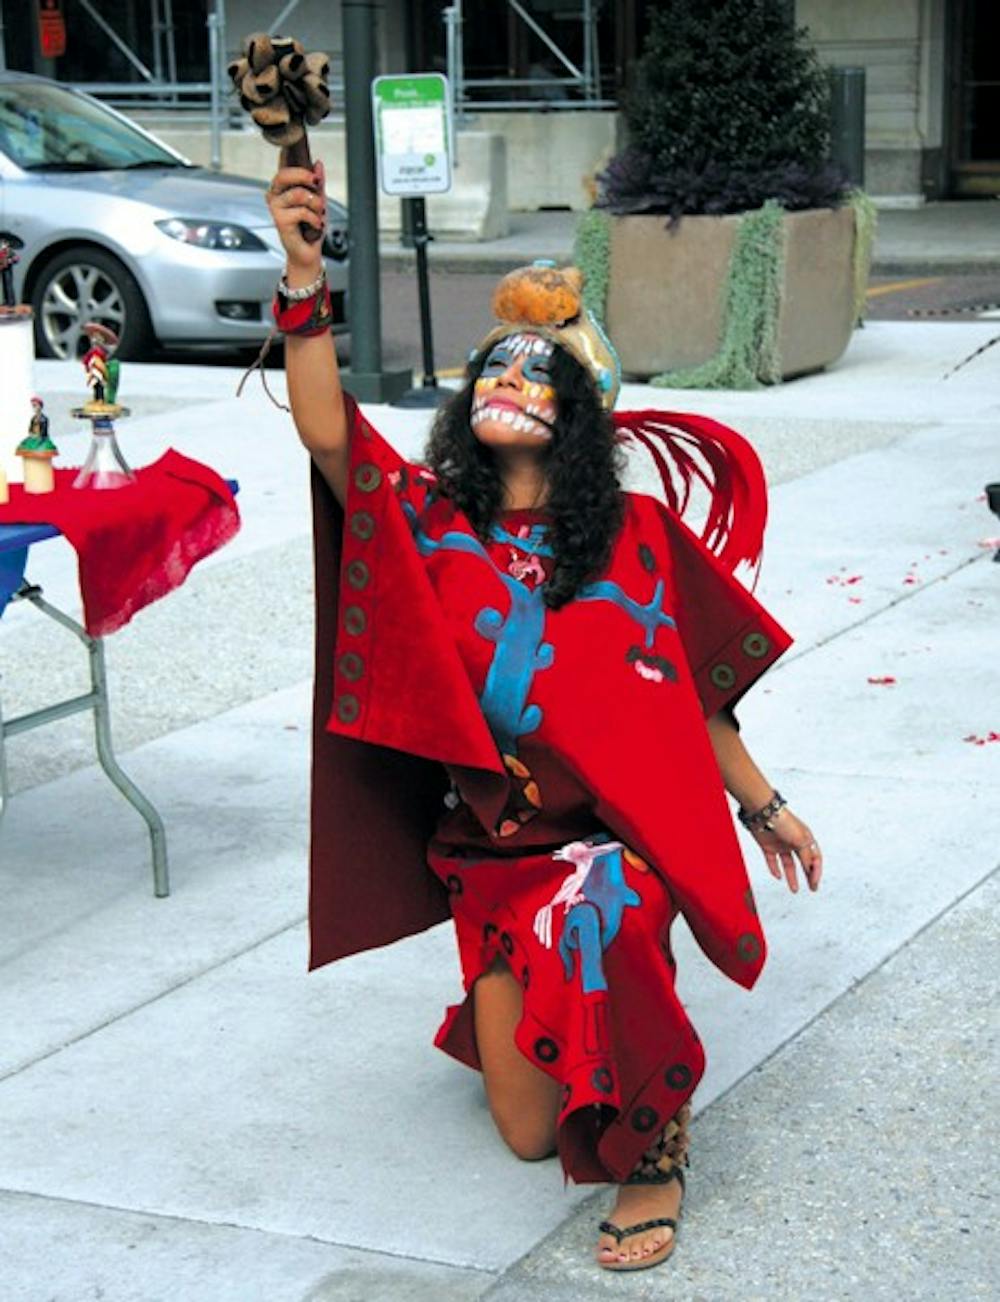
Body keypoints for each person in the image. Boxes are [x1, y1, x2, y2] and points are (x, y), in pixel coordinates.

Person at [265, 160, 823, 1274]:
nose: (508, 378)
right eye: (494, 364)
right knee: (526, 1136)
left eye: (539, 369)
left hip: (612, 844)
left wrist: (763, 807)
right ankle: (520, 1007)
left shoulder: (639, 540)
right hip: (490, 849)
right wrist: (300, 273)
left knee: (609, 910)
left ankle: (655, 1150)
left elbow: (688, 702)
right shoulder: (424, 529)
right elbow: (326, 432)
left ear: (579, 414)